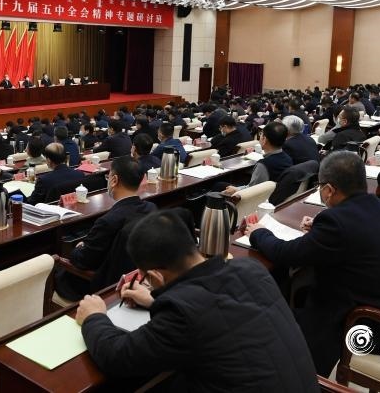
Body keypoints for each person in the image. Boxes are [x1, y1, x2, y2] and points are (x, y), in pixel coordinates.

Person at [76, 209, 318, 392]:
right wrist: (154, 301)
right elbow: (217, 313)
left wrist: (94, 316)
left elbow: (117, 357)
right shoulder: (250, 268)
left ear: (155, 276)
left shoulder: (181, 315)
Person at [246, 151, 380, 375]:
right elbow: (355, 234)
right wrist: (320, 230)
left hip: (371, 325)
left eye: (320, 186)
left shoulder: (338, 223)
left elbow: (286, 253)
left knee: (276, 313)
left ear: (329, 190)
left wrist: (258, 233)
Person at [56, 157, 156, 301]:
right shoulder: (151, 208)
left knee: (57, 269)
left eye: (108, 177)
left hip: (101, 286)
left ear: (114, 180)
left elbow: (83, 261)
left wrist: (79, 248)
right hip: (137, 275)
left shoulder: (107, 221)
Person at [222, 121, 292, 194]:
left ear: (264, 139)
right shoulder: (288, 158)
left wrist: (236, 189)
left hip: (259, 196)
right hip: (276, 193)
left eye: (261, 134)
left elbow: (253, 190)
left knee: (219, 185)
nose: (260, 136)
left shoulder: (263, 165)